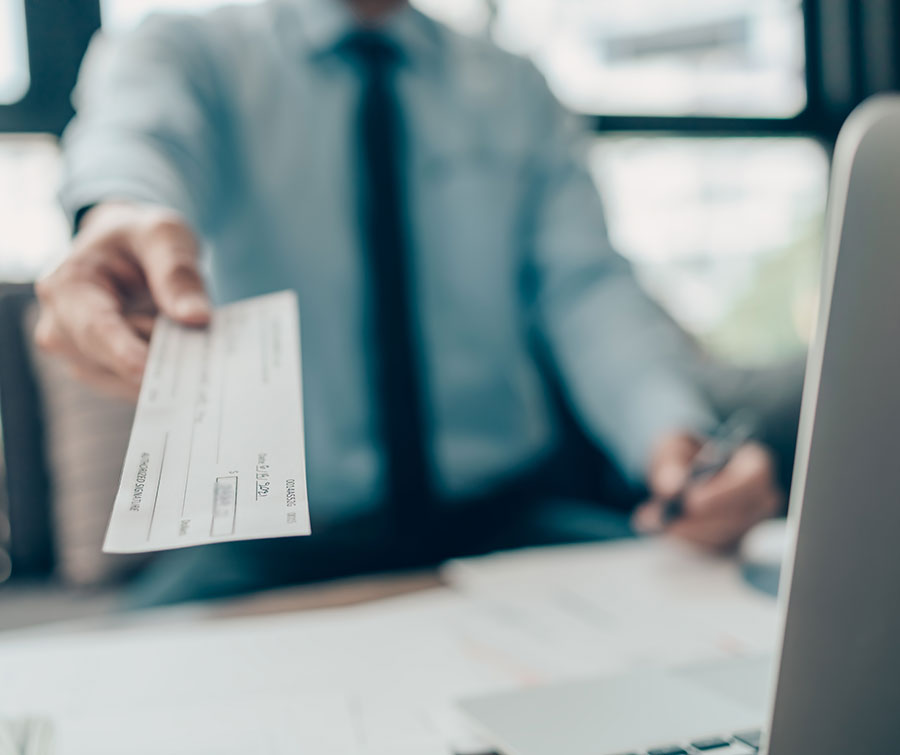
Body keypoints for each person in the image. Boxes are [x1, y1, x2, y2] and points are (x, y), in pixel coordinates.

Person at [34, 0, 782, 602]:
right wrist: (115, 214)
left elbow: (585, 287)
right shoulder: (186, 54)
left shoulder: (513, 87)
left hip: (504, 518)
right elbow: (134, 147)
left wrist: (673, 436)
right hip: (268, 546)